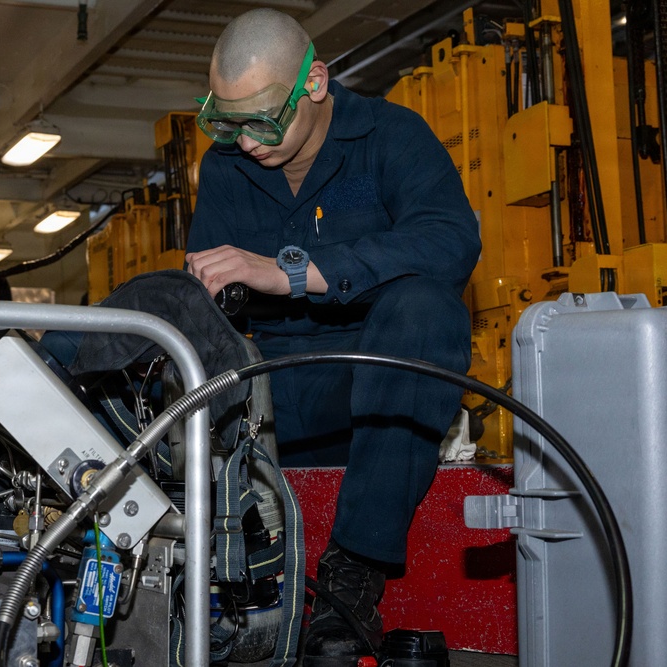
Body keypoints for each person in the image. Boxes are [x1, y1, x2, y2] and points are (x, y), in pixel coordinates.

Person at [184, 9, 481, 665]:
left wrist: (295, 273)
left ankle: (350, 584)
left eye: (262, 120)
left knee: (425, 307)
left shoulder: (393, 138)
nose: (248, 142)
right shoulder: (228, 167)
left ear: (314, 81)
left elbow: (451, 239)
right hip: (276, 401)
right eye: (226, 122)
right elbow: (215, 305)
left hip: (384, 384)